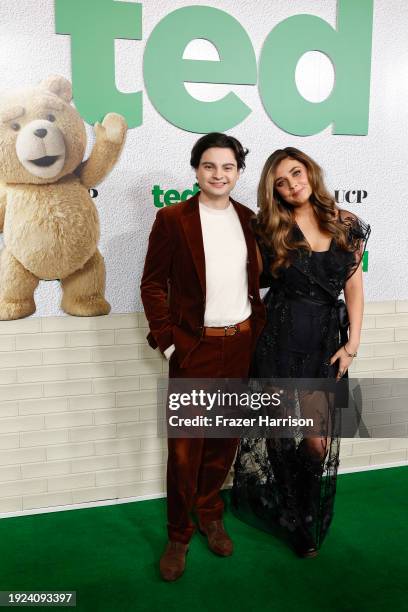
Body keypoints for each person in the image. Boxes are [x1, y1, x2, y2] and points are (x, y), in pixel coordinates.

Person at [232, 147, 370, 557]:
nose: (293, 184)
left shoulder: (346, 223)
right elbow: (247, 286)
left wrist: (353, 343)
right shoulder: (269, 228)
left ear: (309, 171)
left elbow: (354, 287)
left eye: (296, 173)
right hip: (278, 338)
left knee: (316, 443)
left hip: (325, 343)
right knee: (277, 434)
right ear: (273, 190)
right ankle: (296, 515)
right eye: (281, 181)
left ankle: (301, 500)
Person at [140, 133, 266, 581]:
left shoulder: (250, 220)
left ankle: (211, 513)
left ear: (238, 172)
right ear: (196, 170)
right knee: (185, 452)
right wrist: (170, 341)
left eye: (228, 167)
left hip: (240, 345)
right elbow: (153, 284)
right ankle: (178, 534)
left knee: (223, 444)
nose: (219, 175)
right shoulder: (173, 219)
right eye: (210, 166)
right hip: (194, 348)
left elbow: (267, 276)